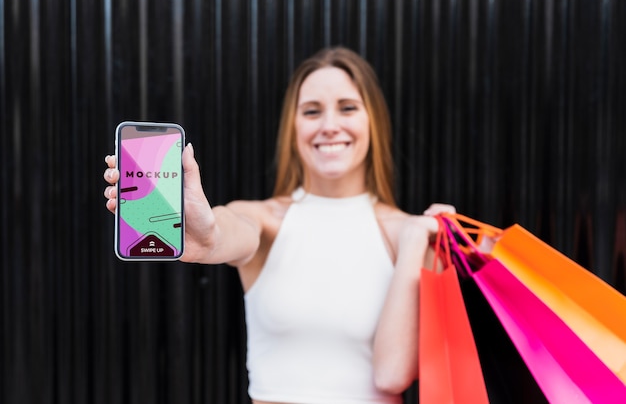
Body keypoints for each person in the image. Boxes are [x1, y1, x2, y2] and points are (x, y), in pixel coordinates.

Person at [103, 46, 455, 404]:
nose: (330, 125)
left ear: (373, 120)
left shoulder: (411, 237)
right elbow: (229, 230)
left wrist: (415, 243)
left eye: (348, 107)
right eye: (312, 111)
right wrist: (209, 237)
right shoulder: (264, 221)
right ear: (293, 127)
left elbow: (393, 375)